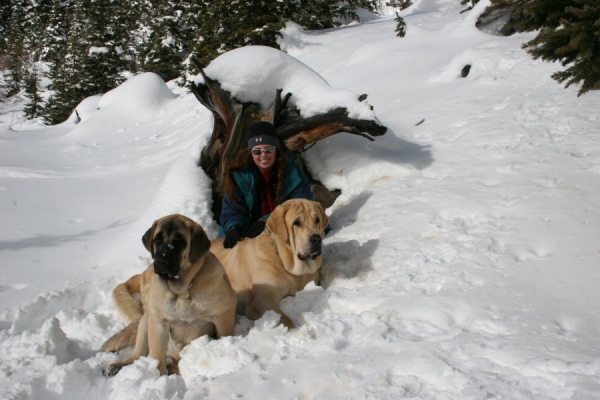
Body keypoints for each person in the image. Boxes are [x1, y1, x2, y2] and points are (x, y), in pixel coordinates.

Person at [219, 121, 314, 248]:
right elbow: (231, 209)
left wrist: (268, 220)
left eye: (269, 149)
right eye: (257, 151)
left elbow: (302, 204)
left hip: (283, 228)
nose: (263, 155)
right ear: (250, 152)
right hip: (249, 232)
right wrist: (233, 226)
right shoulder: (238, 174)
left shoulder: (292, 172)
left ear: (276, 150)